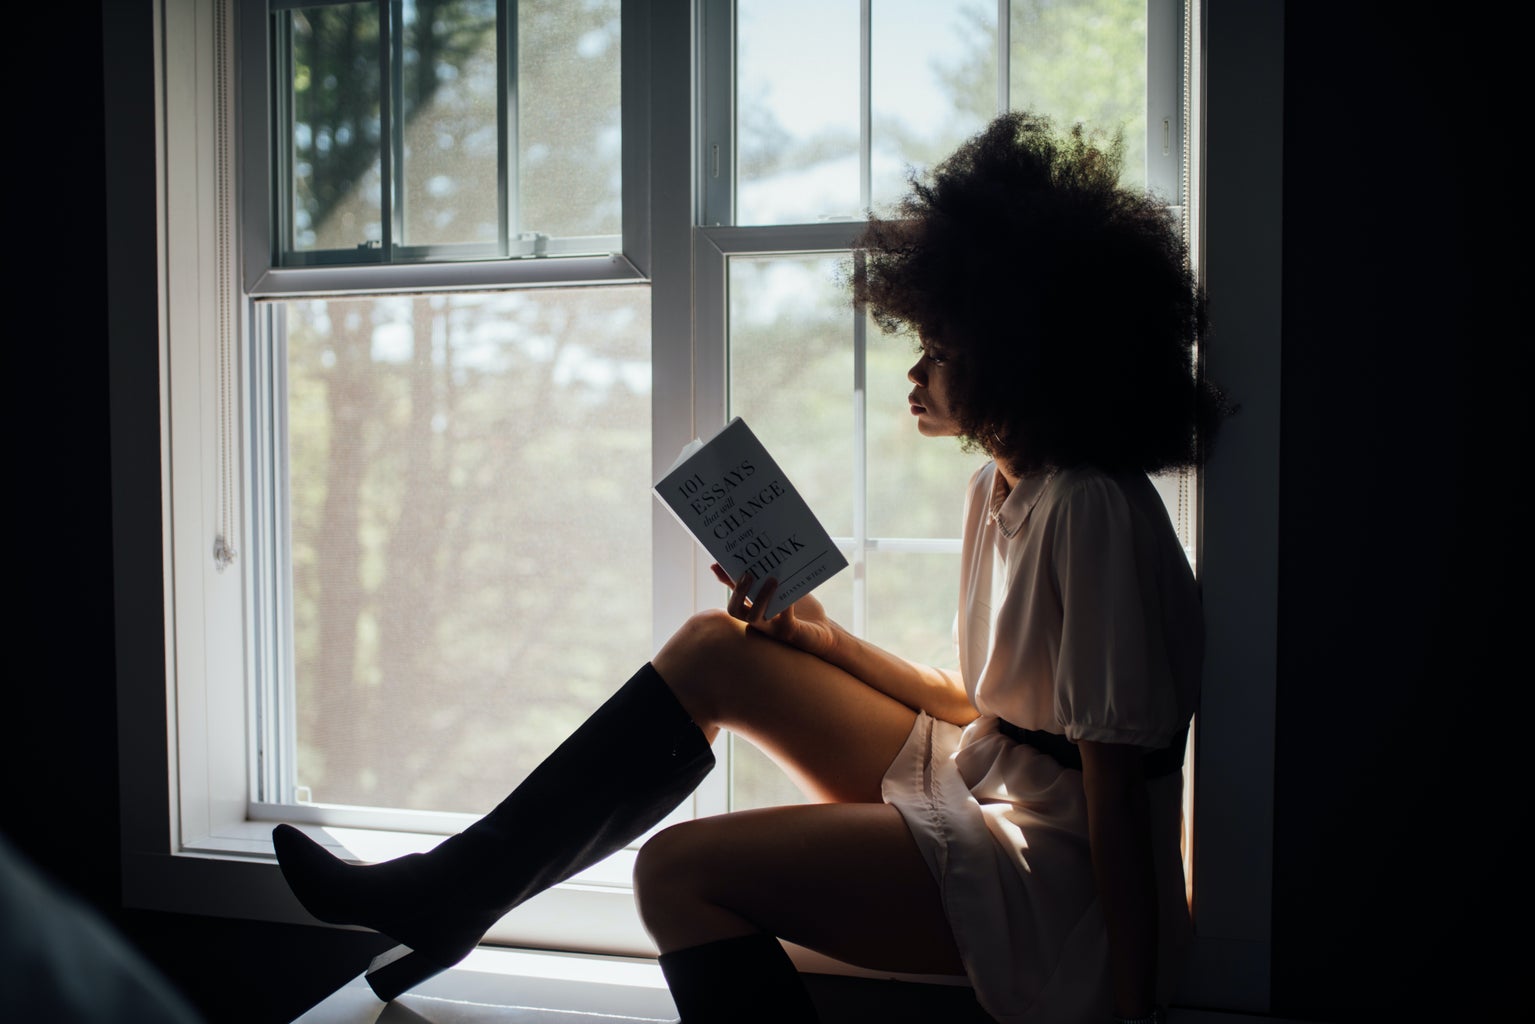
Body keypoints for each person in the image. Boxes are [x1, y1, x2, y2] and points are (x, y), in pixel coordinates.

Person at [272, 110, 1227, 1024]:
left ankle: (446, 898)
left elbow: (1112, 777)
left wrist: (1133, 1006)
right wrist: (816, 637)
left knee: (673, 873)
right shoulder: (999, 489)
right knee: (715, 649)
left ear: (1019, 360)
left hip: (1058, 877)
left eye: (937, 351)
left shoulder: (1092, 507)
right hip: (988, 779)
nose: (913, 374)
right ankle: (450, 893)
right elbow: (974, 703)